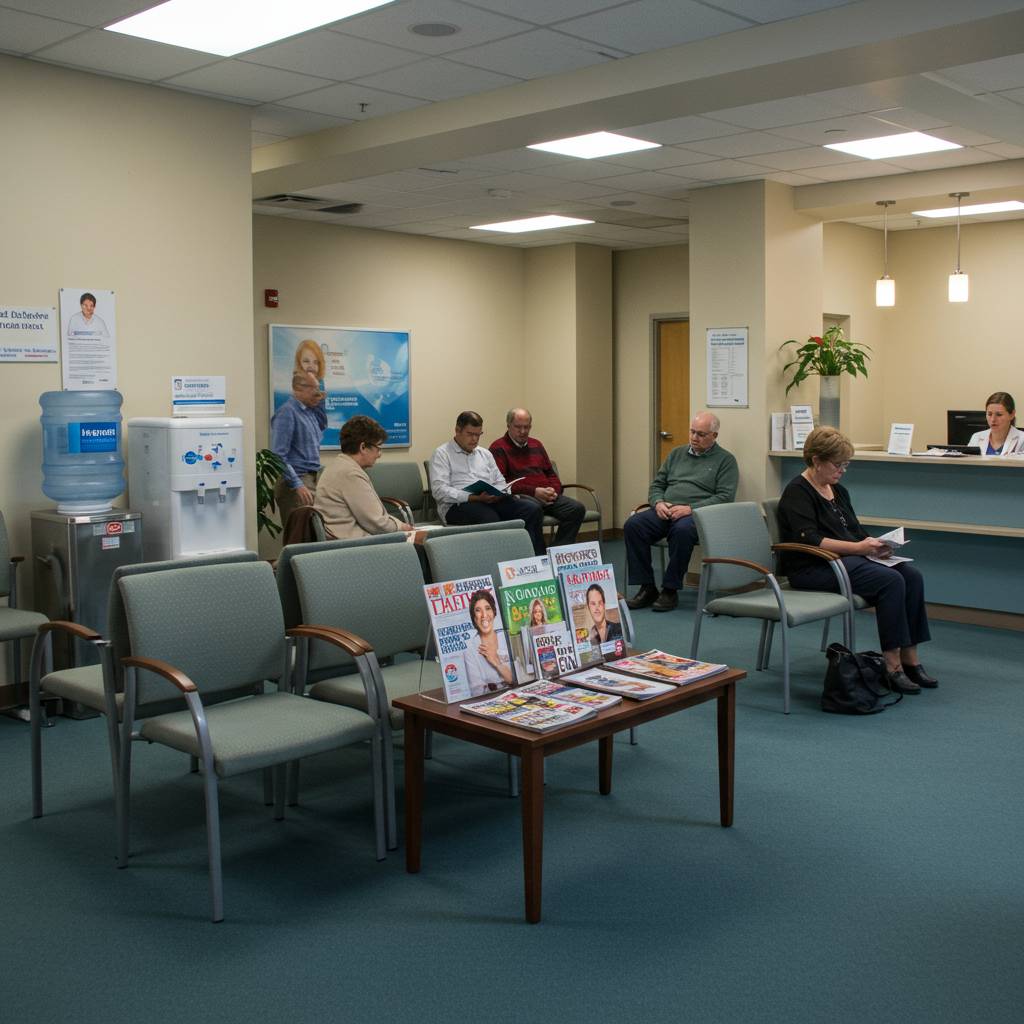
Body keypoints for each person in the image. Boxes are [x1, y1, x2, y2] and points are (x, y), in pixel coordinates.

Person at [776, 426, 937, 695]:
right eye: (837, 464)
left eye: (846, 464)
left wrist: (875, 545)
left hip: (844, 561)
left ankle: (911, 659)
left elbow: (854, 530)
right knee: (890, 581)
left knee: (911, 576)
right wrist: (858, 548)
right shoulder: (797, 492)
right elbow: (812, 540)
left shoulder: (838, 490)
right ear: (816, 460)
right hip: (813, 567)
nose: (842, 470)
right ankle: (892, 666)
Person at [624, 411, 738, 612]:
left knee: (682, 531)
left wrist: (690, 509)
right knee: (634, 525)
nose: (694, 437)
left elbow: (725, 497)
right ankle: (647, 587)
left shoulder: (725, 460)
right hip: (666, 509)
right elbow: (657, 485)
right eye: (692, 432)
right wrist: (658, 502)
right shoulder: (676, 454)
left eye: (701, 434)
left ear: (714, 436)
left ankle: (670, 589)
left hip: (696, 515)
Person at [430, 410, 546, 555]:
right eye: (470, 434)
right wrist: (472, 497)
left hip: (489, 500)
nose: (474, 439)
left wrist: (499, 492)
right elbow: (439, 490)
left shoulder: (485, 454)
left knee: (532, 509)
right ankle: (500, 560)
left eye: (478, 435)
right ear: (457, 430)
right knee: (489, 517)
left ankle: (535, 560)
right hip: (457, 506)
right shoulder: (442, 454)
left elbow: (499, 480)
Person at [489, 408, 586, 545]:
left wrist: (553, 491)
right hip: (523, 496)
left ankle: (558, 551)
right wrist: (534, 492)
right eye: (518, 427)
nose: (523, 431)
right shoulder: (498, 447)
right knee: (533, 509)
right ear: (508, 425)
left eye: (526, 427)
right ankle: (539, 554)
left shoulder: (536, 444)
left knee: (576, 509)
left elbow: (550, 473)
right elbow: (502, 483)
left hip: (547, 494)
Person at [314, 415, 414, 540]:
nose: (379, 454)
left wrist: (398, 525)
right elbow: (377, 524)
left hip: (343, 540)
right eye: (378, 448)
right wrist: (402, 527)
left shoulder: (337, 466)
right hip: (352, 544)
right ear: (363, 447)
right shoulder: (350, 474)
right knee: (418, 544)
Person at [270, 370, 327, 532]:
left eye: (318, 387)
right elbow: (278, 456)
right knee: (300, 535)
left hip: (311, 479)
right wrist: (297, 485)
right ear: (297, 388)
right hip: (295, 484)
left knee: (313, 533)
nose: (317, 392)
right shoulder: (287, 413)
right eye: (313, 388)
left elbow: (323, 425)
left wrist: (320, 403)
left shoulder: (308, 411)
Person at [464, 590, 513, 695]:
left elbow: (518, 679)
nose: (484, 615)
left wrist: (496, 662)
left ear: (494, 612)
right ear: (474, 617)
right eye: (478, 610)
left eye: (487, 608)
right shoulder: (470, 651)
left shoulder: (507, 638)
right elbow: (477, 692)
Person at [967, 391, 1022, 456]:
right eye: (989, 414)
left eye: (999, 414)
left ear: (1012, 414)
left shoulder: (1022, 440)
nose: (993, 419)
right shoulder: (976, 438)